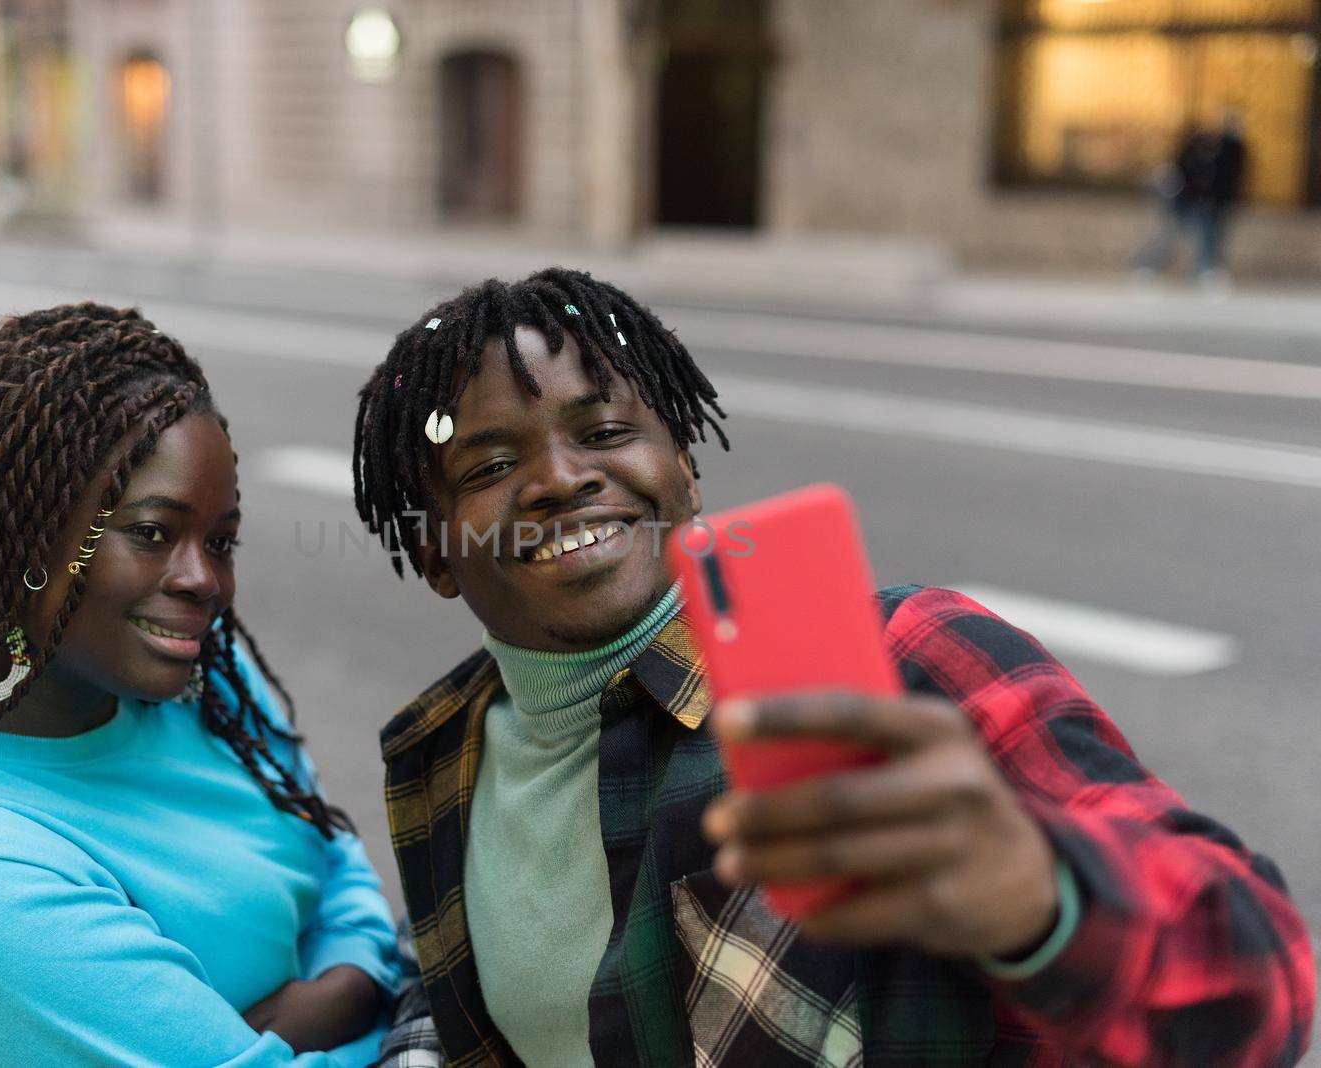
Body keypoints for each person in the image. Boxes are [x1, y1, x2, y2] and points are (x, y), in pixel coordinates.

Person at [349, 270, 1314, 1067]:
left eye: (605, 433)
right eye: (487, 468)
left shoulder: (901, 660)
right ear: (434, 552)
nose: (560, 478)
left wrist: (1041, 898)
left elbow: (1258, 988)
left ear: (686, 468)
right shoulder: (446, 757)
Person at [0, 304, 399, 1067]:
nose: (205, 582)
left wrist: (342, 992)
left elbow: (335, 854)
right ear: (26, 538)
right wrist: (366, 998)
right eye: (151, 533)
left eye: (220, 540)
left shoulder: (206, 676)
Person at [1136, 111, 1247, 287]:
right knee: (1170, 236)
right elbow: (1180, 177)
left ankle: (1207, 271)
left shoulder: (1228, 150)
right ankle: (1147, 268)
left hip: (1209, 202)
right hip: (1185, 201)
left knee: (1209, 237)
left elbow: (1232, 175)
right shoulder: (1190, 151)